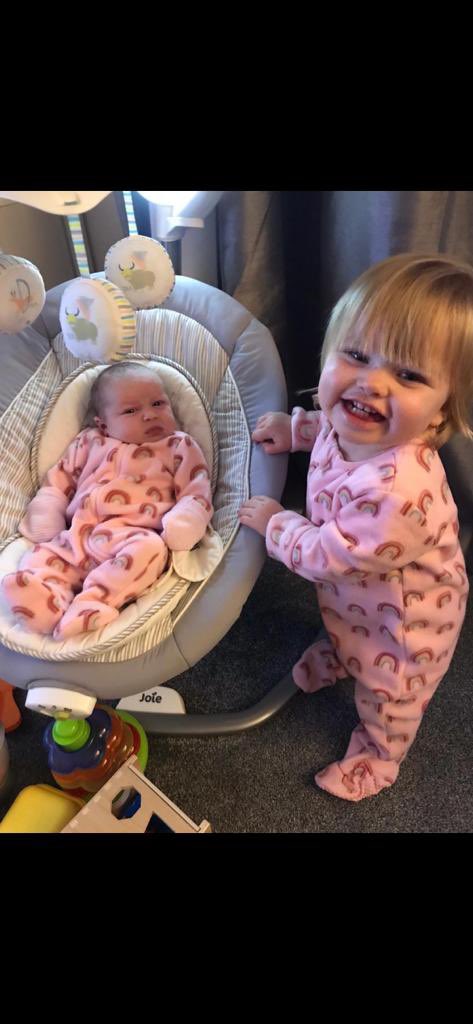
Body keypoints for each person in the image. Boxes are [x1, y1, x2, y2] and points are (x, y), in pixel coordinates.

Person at [238, 253, 473, 802]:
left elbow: (327, 555)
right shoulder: (359, 424)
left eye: (409, 375)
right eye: (357, 355)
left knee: (387, 698)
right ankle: (344, 653)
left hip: (406, 627)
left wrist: (276, 524)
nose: (371, 384)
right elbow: (331, 431)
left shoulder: (398, 491)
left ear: (441, 412)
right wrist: (297, 429)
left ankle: (377, 760)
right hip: (358, 601)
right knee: (346, 624)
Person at [2, 362, 213, 640]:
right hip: (77, 536)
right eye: (131, 411)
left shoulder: (177, 445)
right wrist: (47, 509)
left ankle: (93, 602)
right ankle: (46, 601)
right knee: (41, 556)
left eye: (158, 403)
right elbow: (60, 480)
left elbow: (196, 489)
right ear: (103, 424)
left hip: (132, 538)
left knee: (150, 551)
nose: (150, 415)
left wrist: (187, 519)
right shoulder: (89, 442)